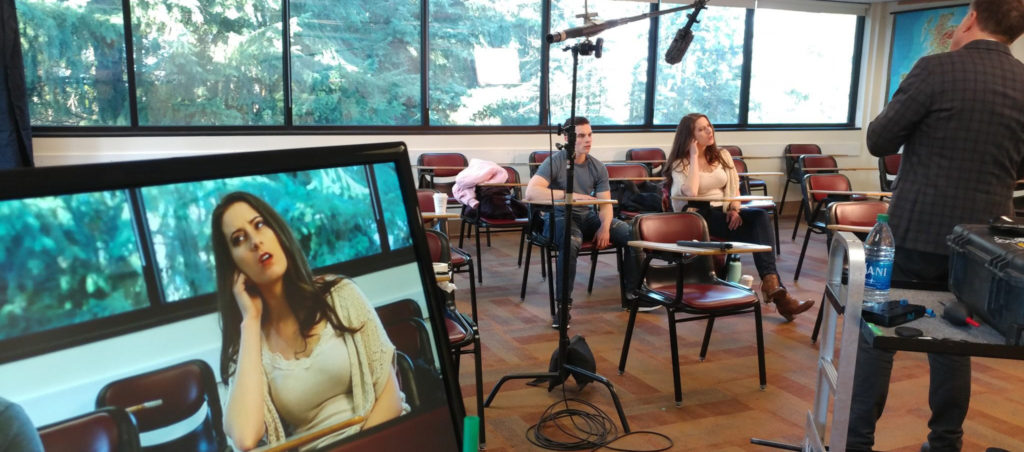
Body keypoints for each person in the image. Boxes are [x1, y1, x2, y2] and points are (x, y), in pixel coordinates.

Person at [848, 1, 1024, 450]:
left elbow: (879, 140)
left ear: (970, 17)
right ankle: (945, 441)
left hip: (914, 234)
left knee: (877, 331)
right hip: (983, 246)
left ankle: (857, 441)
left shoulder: (934, 70)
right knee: (955, 338)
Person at [211, 191, 405, 451]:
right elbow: (245, 437)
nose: (255, 242)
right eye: (238, 239)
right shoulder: (250, 342)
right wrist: (250, 320)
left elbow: (391, 397)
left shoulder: (341, 294)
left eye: (259, 225)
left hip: (383, 439)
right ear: (233, 266)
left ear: (277, 231)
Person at [665, 113, 814, 321]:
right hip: (698, 216)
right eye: (701, 129)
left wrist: (734, 208)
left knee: (760, 217)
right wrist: (693, 156)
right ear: (689, 137)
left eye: (709, 126)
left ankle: (771, 283)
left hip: (723, 211)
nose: (709, 131)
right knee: (751, 226)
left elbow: (733, 187)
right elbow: (690, 192)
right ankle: (781, 298)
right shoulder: (681, 164)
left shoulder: (723, 155)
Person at [525, 116, 645, 328]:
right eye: (581, 136)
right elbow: (532, 193)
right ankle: (563, 307)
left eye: (590, 135)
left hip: (587, 217)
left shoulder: (597, 166)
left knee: (630, 233)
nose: (587, 140)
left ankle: (634, 294)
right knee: (571, 241)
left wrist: (605, 227)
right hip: (559, 216)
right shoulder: (555, 161)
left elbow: (605, 203)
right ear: (567, 138)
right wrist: (572, 196)